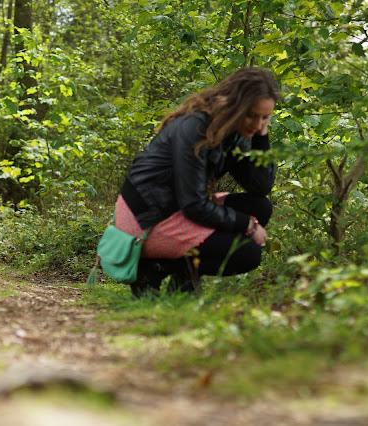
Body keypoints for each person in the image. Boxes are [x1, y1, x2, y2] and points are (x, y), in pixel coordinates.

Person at [115, 67, 279, 297]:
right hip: (145, 218)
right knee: (247, 254)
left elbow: (260, 186)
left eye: (265, 117)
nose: (257, 122)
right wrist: (247, 225)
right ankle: (153, 268)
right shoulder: (194, 127)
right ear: (235, 106)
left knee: (259, 206)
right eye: (252, 115)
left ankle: (182, 277)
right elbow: (193, 203)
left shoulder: (235, 134)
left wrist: (262, 136)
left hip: (177, 208)